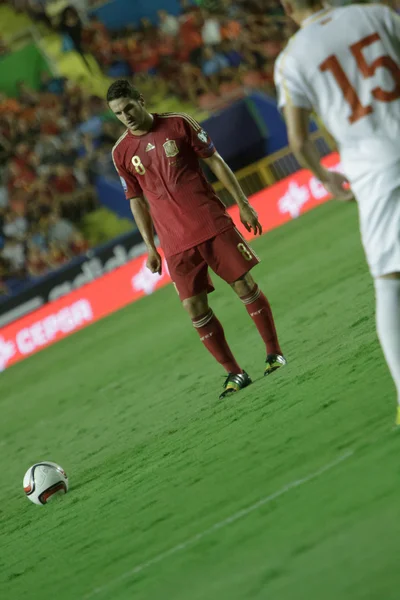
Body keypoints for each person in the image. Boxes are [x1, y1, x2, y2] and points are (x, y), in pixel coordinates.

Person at [108, 79, 286, 399]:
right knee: (193, 307)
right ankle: (235, 373)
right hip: (174, 242)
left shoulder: (179, 124)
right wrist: (150, 247)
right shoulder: (121, 152)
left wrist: (243, 204)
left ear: (141, 100)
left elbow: (214, 160)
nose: (126, 116)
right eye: (119, 113)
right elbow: (135, 200)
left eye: (129, 107)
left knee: (244, 285)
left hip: (209, 222)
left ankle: (274, 353)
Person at [274, 1, 400, 422]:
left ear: (286, 6)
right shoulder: (375, 14)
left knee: (390, 283)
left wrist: (325, 177)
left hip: (375, 166)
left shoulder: (292, 58)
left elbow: (297, 138)